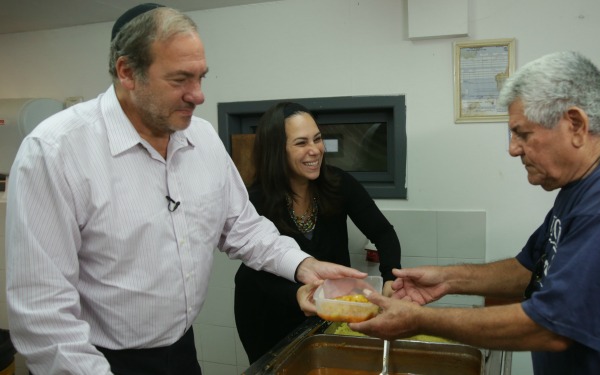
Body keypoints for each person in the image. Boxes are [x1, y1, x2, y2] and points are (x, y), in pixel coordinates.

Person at [4, 4, 365, 375]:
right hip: (92, 360)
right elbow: (43, 313)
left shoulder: (202, 138)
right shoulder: (55, 152)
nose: (198, 95)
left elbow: (242, 227)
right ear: (127, 72)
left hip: (179, 352)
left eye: (200, 77)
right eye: (180, 80)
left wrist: (304, 265)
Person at [350, 51, 600, 374]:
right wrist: (448, 279)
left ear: (576, 125)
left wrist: (418, 320)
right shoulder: (583, 188)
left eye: (523, 134)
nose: (513, 150)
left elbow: (551, 327)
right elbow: (531, 268)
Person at [234, 101, 402, 363]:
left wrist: (390, 277)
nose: (315, 150)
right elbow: (252, 275)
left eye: (318, 139)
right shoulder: (256, 200)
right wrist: (295, 294)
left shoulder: (339, 184)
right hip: (268, 313)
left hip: (330, 309)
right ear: (277, 151)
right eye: (301, 143)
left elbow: (383, 232)